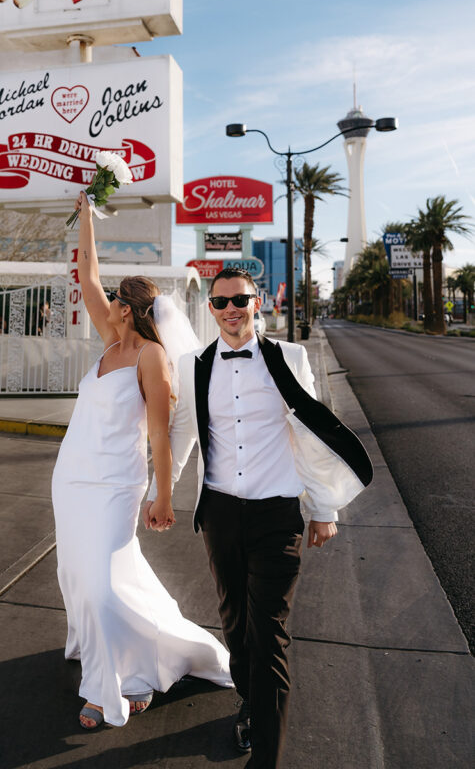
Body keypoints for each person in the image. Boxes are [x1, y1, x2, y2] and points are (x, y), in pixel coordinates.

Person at [145, 269, 373, 768]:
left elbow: (310, 432)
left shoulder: (290, 358)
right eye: (222, 301)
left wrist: (324, 508)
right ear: (211, 308)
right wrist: (159, 493)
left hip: (278, 514)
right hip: (221, 512)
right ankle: (249, 698)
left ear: (256, 301)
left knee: (269, 632)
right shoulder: (194, 365)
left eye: (240, 299)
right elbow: (183, 433)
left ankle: (266, 758)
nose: (231, 309)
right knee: (234, 620)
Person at [51, 193, 232, 731]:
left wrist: (162, 494)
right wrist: (86, 217)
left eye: (115, 303)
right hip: (72, 477)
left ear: (128, 310)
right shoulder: (109, 344)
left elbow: (159, 431)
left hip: (114, 482)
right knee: (81, 577)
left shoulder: (151, 358)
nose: (104, 306)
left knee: (104, 584)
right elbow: (87, 278)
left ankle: (118, 684)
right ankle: (127, 650)